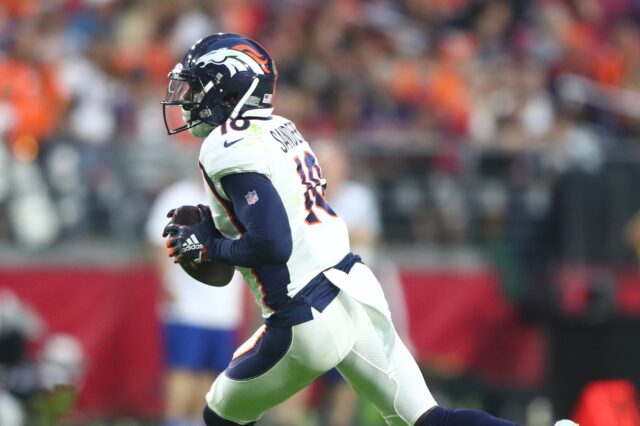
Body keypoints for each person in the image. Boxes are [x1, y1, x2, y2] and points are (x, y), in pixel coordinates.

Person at [160, 33, 577, 426]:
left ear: (228, 89)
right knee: (429, 419)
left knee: (220, 415)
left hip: (304, 314)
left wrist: (212, 249)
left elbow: (272, 243)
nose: (190, 99)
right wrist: (218, 236)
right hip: (355, 291)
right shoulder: (279, 128)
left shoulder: (224, 145)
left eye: (198, 88)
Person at [146, 177, 244, 426]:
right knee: (183, 374)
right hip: (187, 307)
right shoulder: (178, 196)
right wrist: (169, 284)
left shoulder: (236, 198)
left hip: (224, 310)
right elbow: (159, 243)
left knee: (212, 383)